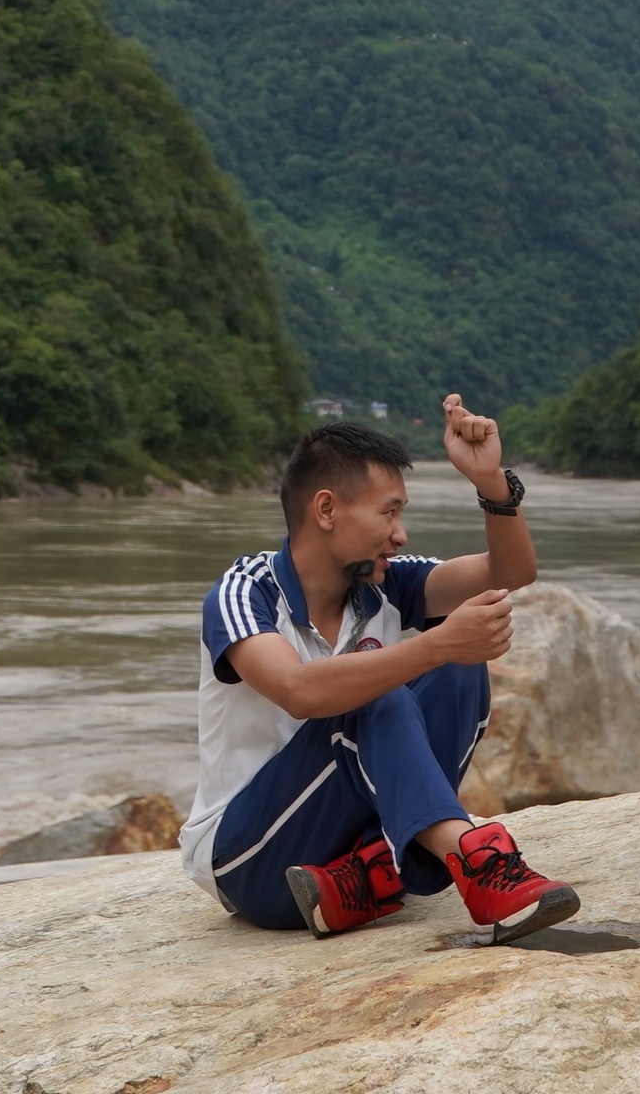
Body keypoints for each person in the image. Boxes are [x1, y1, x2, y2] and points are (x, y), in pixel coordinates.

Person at [181, 398, 581, 941]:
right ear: (326, 510)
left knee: (459, 670)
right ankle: (476, 860)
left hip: (336, 861)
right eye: (389, 512)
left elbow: (511, 571)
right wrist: (435, 645)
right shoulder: (244, 591)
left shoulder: (383, 582)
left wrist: (490, 482)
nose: (401, 534)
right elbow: (299, 691)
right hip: (249, 856)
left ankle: (369, 875)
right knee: (377, 683)